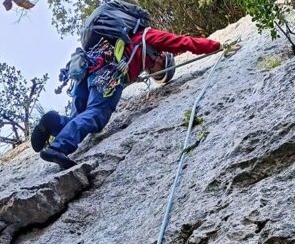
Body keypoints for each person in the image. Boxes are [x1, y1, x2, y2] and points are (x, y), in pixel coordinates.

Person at [32, 26, 223, 169]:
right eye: (158, 73)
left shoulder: (129, 40)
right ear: (162, 58)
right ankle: (59, 147)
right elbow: (184, 42)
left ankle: (53, 122)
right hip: (109, 73)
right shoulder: (149, 37)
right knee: (96, 113)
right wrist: (217, 46)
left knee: (77, 118)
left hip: (87, 69)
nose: (153, 72)